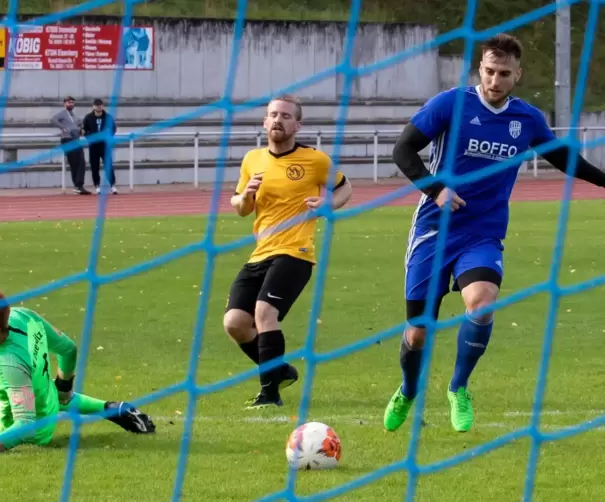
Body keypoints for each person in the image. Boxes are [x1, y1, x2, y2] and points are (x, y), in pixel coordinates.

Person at [384, 33, 605, 433]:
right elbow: (403, 150)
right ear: (479, 70)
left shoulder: (527, 119)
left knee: (482, 304)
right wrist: (435, 188)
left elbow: (562, 157)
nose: (495, 80)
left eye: (504, 73)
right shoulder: (451, 104)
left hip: (483, 233)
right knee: (417, 333)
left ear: (517, 75)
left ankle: (459, 388)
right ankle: (408, 389)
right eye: (489, 71)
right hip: (434, 231)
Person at [223, 95, 353, 410]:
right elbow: (240, 207)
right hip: (260, 253)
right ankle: (280, 370)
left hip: (296, 252)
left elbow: (345, 188)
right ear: (264, 122)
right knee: (235, 323)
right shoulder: (252, 160)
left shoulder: (315, 160)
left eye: (285, 115)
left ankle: (270, 394)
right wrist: (245, 197)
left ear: (297, 124)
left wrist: (329, 205)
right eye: (272, 115)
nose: (278, 120)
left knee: (264, 313)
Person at [0, 284, 155, 456]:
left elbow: (25, 425)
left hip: (31, 431)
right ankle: (112, 408)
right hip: (50, 400)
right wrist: (64, 388)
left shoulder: (10, 362)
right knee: (51, 392)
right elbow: (68, 350)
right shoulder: (23, 316)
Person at [51, 96, 90, 195]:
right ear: (64, 103)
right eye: (69, 102)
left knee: (81, 162)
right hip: (67, 139)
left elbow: (80, 124)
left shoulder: (74, 116)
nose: (71, 104)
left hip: (76, 140)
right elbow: (53, 119)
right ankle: (78, 186)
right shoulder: (62, 114)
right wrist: (63, 128)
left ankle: (79, 185)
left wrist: (81, 129)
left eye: (72, 102)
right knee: (74, 163)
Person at [82, 98, 118, 195]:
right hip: (93, 145)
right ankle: (97, 185)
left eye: (100, 105)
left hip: (105, 145)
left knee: (108, 164)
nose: (98, 107)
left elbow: (113, 129)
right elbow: (84, 130)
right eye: (96, 105)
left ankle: (112, 185)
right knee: (94, 166)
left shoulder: (108, 117)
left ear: (102, 106)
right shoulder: (88, 117)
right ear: (93, 106)